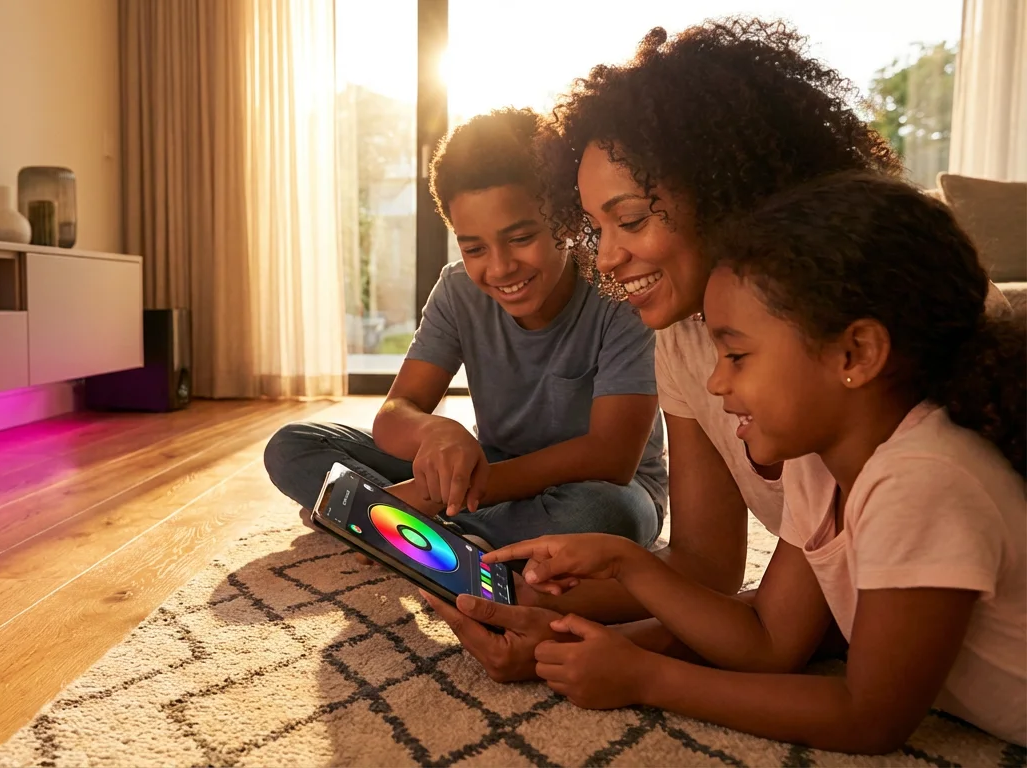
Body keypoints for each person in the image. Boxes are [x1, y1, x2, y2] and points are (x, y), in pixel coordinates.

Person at [420, 18, 907, 682]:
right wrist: (562, 629)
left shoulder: (840, 354)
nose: (608, 257)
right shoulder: (678, 337)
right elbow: (707, 571)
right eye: (593, 226)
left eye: (631, 220)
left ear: (724, 194)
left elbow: (789, 638)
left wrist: (621, 655)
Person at [481, 172, 1026, 751]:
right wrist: (625, 565)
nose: (715, 382)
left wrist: (648, 678)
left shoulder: (923, 478)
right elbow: (770, 640)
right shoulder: (822, 466)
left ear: (855, 352)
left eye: (737, 354)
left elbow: (868, 717)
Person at [263, 107, 668, 553]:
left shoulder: (619, 290)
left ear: (568, 221)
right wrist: (436, 432)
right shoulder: (457, 289)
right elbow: (396, 412)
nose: (500, 267)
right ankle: (450, 537)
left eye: (520, 238)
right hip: (486, 470)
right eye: (474, 247)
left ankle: (387, 523)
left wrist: (427, 496)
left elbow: (611, 455)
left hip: (601, 486)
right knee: (293, 445)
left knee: (604, 517)